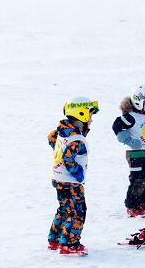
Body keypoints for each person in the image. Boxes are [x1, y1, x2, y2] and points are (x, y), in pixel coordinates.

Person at [47, 97, 99, 256]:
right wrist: (78, 172)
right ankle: (69, 244)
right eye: (90, 115)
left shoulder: (62, 132)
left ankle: (55, 239)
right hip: (71, 183)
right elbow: (68, 158)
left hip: (59, 179)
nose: (91, 120)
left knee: (64, 209)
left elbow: (51, 138)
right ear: (81, 114)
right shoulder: (77, 140)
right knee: (77, 212)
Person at [112, 85, 145, 217]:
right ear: (139, 102)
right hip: (136, 153)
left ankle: (141, 202)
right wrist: (129, 140)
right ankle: (132, 205)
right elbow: (116, 125)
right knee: (137, 179)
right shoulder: (132, 117)